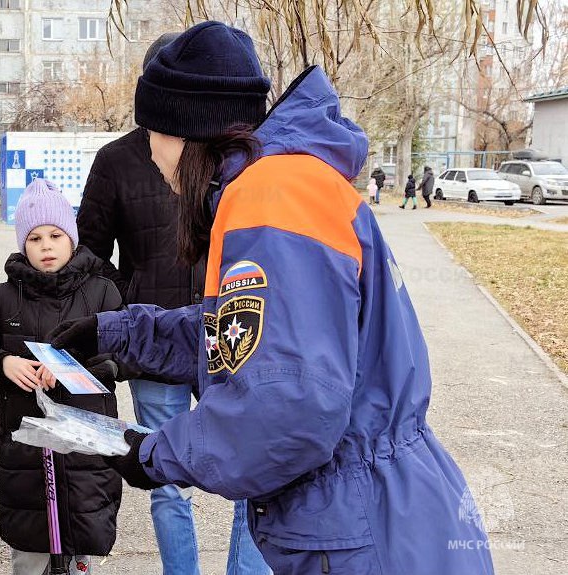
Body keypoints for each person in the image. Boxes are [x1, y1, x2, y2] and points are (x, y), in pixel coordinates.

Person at [50, 21, 494, 575]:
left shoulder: (270, 199)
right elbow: (248, 338)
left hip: (359, 530)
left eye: (150, 132)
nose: (149, 152)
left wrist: (151, 453)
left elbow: (288, 408)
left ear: (184, 129)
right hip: (374, 512)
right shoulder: (285, 186)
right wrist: (120, 332)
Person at [78, 31, 270, 575]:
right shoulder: (116, 160)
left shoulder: (250, 182)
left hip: (229, 332)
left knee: (249, 471)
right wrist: (121, 319)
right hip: (158, 346)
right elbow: (91, 250)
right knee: (163, 476)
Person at [0, 178, 124, 575]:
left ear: (72, 239)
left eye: (55, 235)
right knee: (30, 551)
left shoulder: (102, 293)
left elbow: (125, 354)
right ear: (22, 244)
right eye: (35, 238)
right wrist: (2, 362)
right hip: (26, 455)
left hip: (85, 449)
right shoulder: (3, 298)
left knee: (82, 542)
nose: (46, 246)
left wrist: (75, 367)